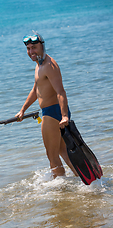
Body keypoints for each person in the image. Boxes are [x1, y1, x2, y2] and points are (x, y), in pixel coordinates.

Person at [16, 32, 78, 178]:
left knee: (52, 155)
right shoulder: (40, 65)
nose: (31, 52)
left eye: (34, 47)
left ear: (42, 46)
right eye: (28, 48)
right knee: (63, 151)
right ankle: (84, 180)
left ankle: (60, 189)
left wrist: (64, 116)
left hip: (53, 113)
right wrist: (23, 110)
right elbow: (36, 90)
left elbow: (61, 92)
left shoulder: (49, 65)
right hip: (54, 112)